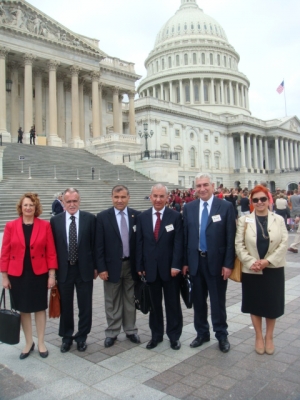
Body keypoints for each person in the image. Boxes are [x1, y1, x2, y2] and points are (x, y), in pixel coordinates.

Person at [183, 173, 236, 353]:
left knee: (217, 302)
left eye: (205, 185)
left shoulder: (226, 206)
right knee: (198, 301)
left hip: (217, 263)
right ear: (194, 189)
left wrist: (228, 264)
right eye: (198, 186)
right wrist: (185, 262)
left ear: (213, 186)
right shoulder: (189, 208)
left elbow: (231, 237)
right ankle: (202, 333)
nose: (202, 189)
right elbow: (185, 237)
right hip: (196, 261)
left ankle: (221, 335)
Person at [0, 193, 57, 359]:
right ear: (21, 207)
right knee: (23, 309)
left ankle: (40, 342)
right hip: (17, 274)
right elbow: (5, 253)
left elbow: (51, 252)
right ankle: (28, 342)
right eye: (25, 205)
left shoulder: (44, 226)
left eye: (31, 205)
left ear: (35, 207)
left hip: (38, 273)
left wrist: (51, 275)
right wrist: (4, 276)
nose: (28, 208)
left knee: (39, 308)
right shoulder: (11, 226)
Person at [235, 184, 288, 355]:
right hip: (252, 269)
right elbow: (239, 245)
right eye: (255, 200)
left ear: (268, 200)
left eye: (263, 199)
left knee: (272, 304)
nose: (259, 202)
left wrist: (268, 261)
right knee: (255, 303)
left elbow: (283, 243)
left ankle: (269, 336)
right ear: (251, 202)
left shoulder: (278, 219)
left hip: (273, 268)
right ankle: (258, 336)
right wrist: (251, 262)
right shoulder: (244, 220)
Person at [136, 183, 183, 350]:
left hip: (171, 270)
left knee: (172, 304)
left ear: (167, 198)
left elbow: (178, 243)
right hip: (150, 270)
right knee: (154, 305)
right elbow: (139, 243)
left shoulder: (175, 217)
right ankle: (156, 335)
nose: (158, 199)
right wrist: (140, 265)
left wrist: (176, 265)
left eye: (161, 196)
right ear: (150, 197)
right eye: (155, 196)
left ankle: (174, 336)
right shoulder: (142, 217)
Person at [50, 188, 97, 353]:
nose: (72, 204)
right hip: (64, 270)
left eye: (75, 201)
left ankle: (82, 337)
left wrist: (96, 267)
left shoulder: (90, 219)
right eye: (68, 201)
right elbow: (53, 248)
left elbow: (95, 245)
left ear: (79, 201)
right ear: (63, 202)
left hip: (84, 269)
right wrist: (53, 272)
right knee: (66, 306)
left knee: (85, 306)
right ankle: (67, 337)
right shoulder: (55, 221)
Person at [95, 185, 140, 347]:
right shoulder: (102, 217)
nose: (119, 200)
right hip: (111, 266)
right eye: (116, 197)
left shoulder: (137, 216)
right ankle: (112, 331)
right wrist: (101, 268)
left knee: (130, 299)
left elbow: (140, 243)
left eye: (122, 197)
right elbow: (98, 246)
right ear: (111, 197)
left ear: (128, 197)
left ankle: (130, 330)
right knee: (112, 300)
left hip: (131, 265)